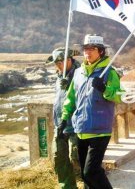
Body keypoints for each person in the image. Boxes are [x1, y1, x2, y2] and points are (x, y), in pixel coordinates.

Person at [59, 34, 123, 189]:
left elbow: (120, 96)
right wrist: (64, 118)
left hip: (100, 130)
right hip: (81, 128)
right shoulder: (79, 73)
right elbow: (71, 98)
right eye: (85, 49)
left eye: (92, 49)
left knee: (90, 172)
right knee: (85, 175)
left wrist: (104, 89)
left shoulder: (109, 72)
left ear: (100, 51)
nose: (87, 52)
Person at [46, 48, 80, 189]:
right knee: (59, 158)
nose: (58, 65)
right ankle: (67, 186)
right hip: (60, 125)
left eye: (60, 62)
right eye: (56, 63)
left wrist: (71, 81)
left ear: (69, 59)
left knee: (78, 159)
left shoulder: (81, 74)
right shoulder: (59, 76)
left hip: (76, 125)